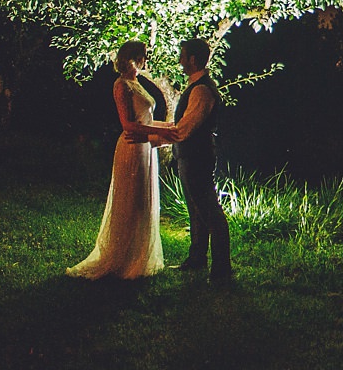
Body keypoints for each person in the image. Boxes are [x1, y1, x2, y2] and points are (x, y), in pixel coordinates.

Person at [127, 37, 231, 283]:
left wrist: (148, 138)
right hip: (189, 155)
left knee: (208, 209)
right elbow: (179, 126)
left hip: (197, 156)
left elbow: (184, 129)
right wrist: (152, 131)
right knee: (195, 209)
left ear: (193, 60)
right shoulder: (195, 86)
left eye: (183, 56)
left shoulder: (202, 90)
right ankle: (197, 258)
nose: (180, 60)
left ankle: (221, 269)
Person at [66, 41, 165, 280]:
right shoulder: (121, 85)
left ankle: (139, 257)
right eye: (143, 56)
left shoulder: (136, 82)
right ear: (134, 58)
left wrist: (168, 129)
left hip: (145, 146)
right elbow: (128, 125)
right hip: (132, 147)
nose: (146, 60)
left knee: (142, 202)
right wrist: (162, 133)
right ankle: (122, 258)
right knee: (130, 200)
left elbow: (145, 120)